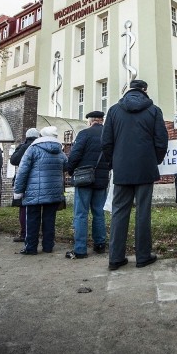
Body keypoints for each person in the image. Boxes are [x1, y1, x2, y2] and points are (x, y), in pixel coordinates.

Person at [101, 79, 168, 271]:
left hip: (122, 168)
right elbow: (161, 140)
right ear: (145, 90)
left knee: (119, 211)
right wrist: (154, 160)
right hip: (145, 167)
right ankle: (143, 256)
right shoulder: (154, 110)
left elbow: (106, 142)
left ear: (129, 89)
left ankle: (115, 258)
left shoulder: (114, 110)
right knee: (143, 212)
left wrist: (114, 163)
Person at [13, 126, 67, 255]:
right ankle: (48, 246)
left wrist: (18, 191)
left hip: (33, 191)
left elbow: (22, 171)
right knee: (50, 219)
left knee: (32, 219)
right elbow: (66, 166)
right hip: (54, 191)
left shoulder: (33, 149)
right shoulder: (60, 151)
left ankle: (31, 248)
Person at [66, 111, 110, 259]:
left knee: (81, 214)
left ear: (90, 121)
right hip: (102, 180)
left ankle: (80, 249)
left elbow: (75, 154)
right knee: (98, 212)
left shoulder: (84, 134)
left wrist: (70, 170)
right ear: (101, 121)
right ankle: (99, 245)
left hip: (84, 179)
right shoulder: (109, 134)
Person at [9, 128, 40, 242]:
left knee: (23, 208)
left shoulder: (25, 147)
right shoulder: (39, 146)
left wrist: (19, 148)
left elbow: (13, 160)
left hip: (25, 181)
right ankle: (33, 232)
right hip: (37, 181)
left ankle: (24, 233)